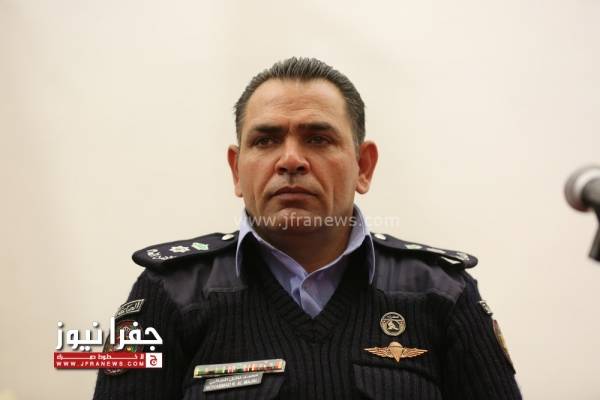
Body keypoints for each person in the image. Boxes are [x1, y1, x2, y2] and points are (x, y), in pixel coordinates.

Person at [93, 57, 522, 399]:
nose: (291, 160)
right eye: (265, 140)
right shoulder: (168, 293)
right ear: (237, 170)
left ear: (364, 166)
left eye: (318, 139)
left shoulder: (442, 293)